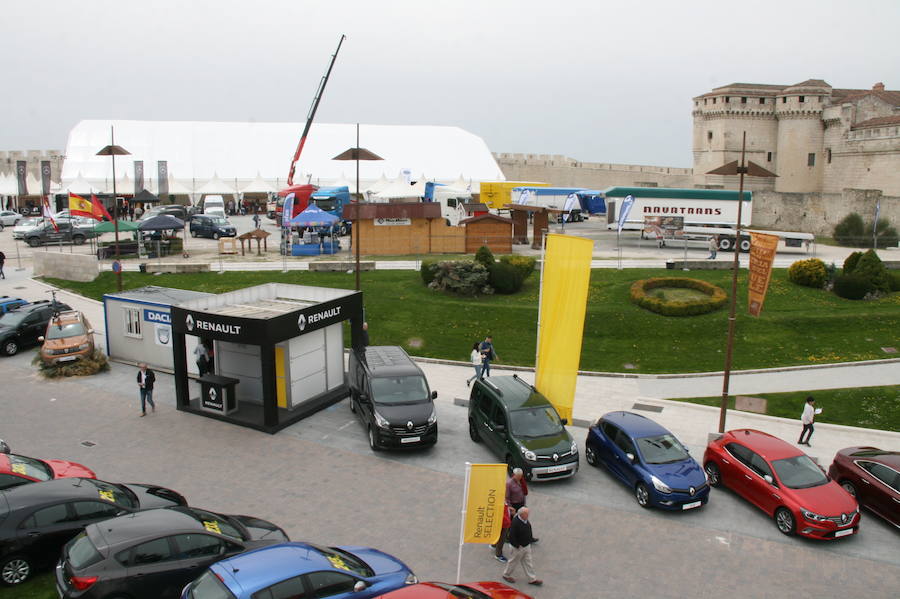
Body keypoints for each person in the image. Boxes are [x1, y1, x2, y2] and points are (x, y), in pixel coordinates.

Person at [502, 507, 542, 586]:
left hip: (526, 545)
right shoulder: (516, 523)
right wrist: (517, 546)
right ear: (522, 514)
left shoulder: (524, 519)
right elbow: (511, 536)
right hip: (518, 547)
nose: (528, 515)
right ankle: (506, 575)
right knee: (513, 562)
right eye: (527, 514)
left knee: (528, 562)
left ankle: (532, 579)